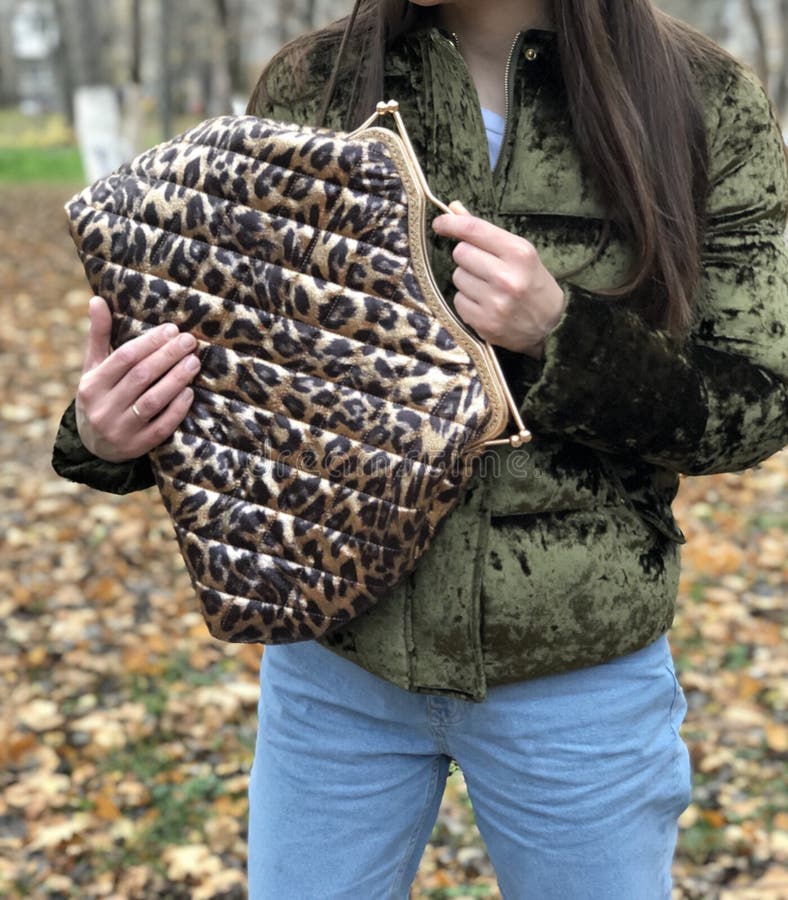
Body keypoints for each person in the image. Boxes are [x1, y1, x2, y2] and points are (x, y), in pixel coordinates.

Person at [52, 0, 788, 897]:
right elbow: (243, 364)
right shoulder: (315, 82)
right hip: (334, 672)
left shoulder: (699, 98)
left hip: (580, 680)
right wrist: (108, 435)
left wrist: (561, 333)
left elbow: (757, 398)